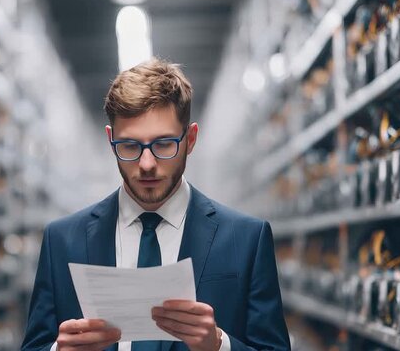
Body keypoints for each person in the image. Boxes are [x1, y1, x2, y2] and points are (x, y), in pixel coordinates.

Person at [21, 58, 290, 351]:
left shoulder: (247, 240)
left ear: (191, 139)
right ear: (110, 140)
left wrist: (218, 345)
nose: (146, 164)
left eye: (163, 144)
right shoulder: (62, 241)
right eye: (129, 146)